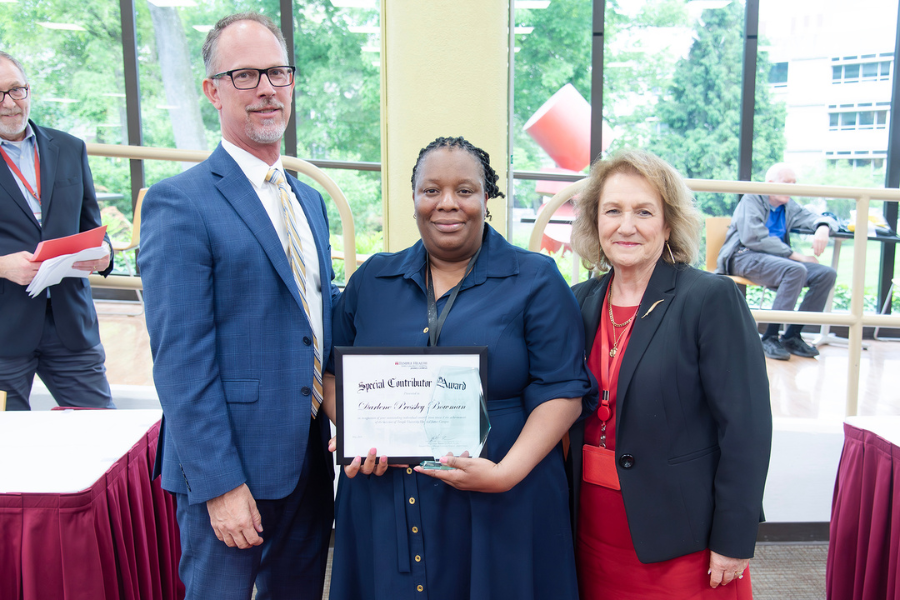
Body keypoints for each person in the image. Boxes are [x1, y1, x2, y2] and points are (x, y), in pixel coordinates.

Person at [322, 136, 596, 599]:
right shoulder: (373, 279)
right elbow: (333, 376)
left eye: (465, 190)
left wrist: (505, 472)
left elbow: (563, 391)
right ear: (413, 199)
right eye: (431, 190)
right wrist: (356, 429)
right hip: (386, 493)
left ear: (485, 199)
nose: (447, 204)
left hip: (505, 492)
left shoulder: (536, 278)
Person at [138, 13, 339, 600]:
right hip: (229, 470)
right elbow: (180, 360)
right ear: (213, 91)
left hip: (306, 458)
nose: (268, 89)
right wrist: (219, 484)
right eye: (246, 75)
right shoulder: (180, 203)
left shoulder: (308, 200)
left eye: (278, 72)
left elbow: (312, 323)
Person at [568, 149, 772, 599]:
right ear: (594, 221)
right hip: (590, 530)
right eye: (612, 211)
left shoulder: (710, 299)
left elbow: (746, 428)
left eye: (644, 211)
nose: (626, 226)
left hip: (681, 538)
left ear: (667, 222)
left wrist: (732, 538)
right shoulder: (578, 301)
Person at [0, 51, 114, 411]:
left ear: (29, 90)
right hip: (4, 331)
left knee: (104, 438)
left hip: (70, 324)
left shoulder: (69, 147)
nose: (10, 103)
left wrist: (105, 253)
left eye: (16, 90)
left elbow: (91, 224)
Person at [715, 163, 838, 360]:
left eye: (794, 183)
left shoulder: (789, 206)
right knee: (796, 269)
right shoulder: (752, 198)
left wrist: (823, 226)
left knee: (826, 274)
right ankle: (769, 337)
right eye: (787, 182)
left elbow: (817, 218)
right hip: (743, 256)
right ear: (770, 183)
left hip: (777, 261)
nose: (792, 187)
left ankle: (792, 336)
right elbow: (753, 237)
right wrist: (797, 255)